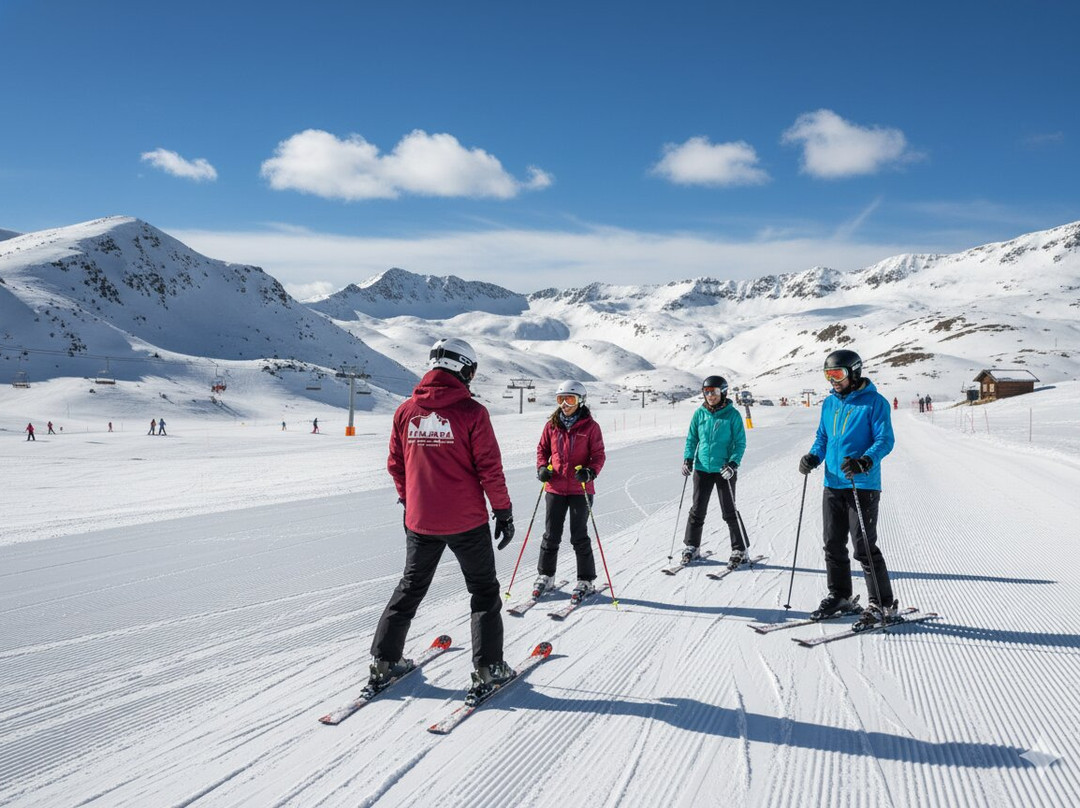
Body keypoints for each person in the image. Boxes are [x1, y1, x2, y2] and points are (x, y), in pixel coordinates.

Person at [370, 337, 516, 703]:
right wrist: (503, 511)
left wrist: (410, 502)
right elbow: (490, 470)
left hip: (420, 522)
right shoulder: (472, 413)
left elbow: (395, 466)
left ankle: (384, 662)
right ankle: (488, 668)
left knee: (410, 588)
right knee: (483, 593)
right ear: (463, 368)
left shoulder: (406, 411)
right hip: (466, 522)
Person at [798, 349, 898, 630]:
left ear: (854, 373)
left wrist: (865, 461)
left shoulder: (875, 403)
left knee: (864, 547)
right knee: (832, 544)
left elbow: (885, 440)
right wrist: (814, 457)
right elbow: (823, 437)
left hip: (862, 484)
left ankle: (882, 604)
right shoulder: (829, 403)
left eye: (838, 375)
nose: (833, 381)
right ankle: (840, 596)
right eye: (828, 375)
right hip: (832, 483)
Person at [533, 380, 607, 602]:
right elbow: (542, 449)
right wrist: (541, 468)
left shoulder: (591, 427)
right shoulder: (552, 425)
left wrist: (590, 472)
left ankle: (585, 579)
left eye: (570, 399)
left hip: (579, 488)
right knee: (551, 534)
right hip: (554, 487)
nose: (564, 404)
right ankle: (546, 575)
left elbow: (599, 455)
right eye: (560, 399)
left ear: (581, 401)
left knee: (579, 535)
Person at [681, 375, 748, 568]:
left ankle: (739, 549)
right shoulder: (699, 414)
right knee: (697, 510)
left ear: (723, 392)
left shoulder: (732, 415)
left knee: (729, 510)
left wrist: (733, 464)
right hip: (702, 468)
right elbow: (692, 439)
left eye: (714, 392)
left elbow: (740, 443)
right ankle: (692, 546)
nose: (710, 396)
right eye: (707, 392)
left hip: (723, 470)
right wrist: (688, 458)